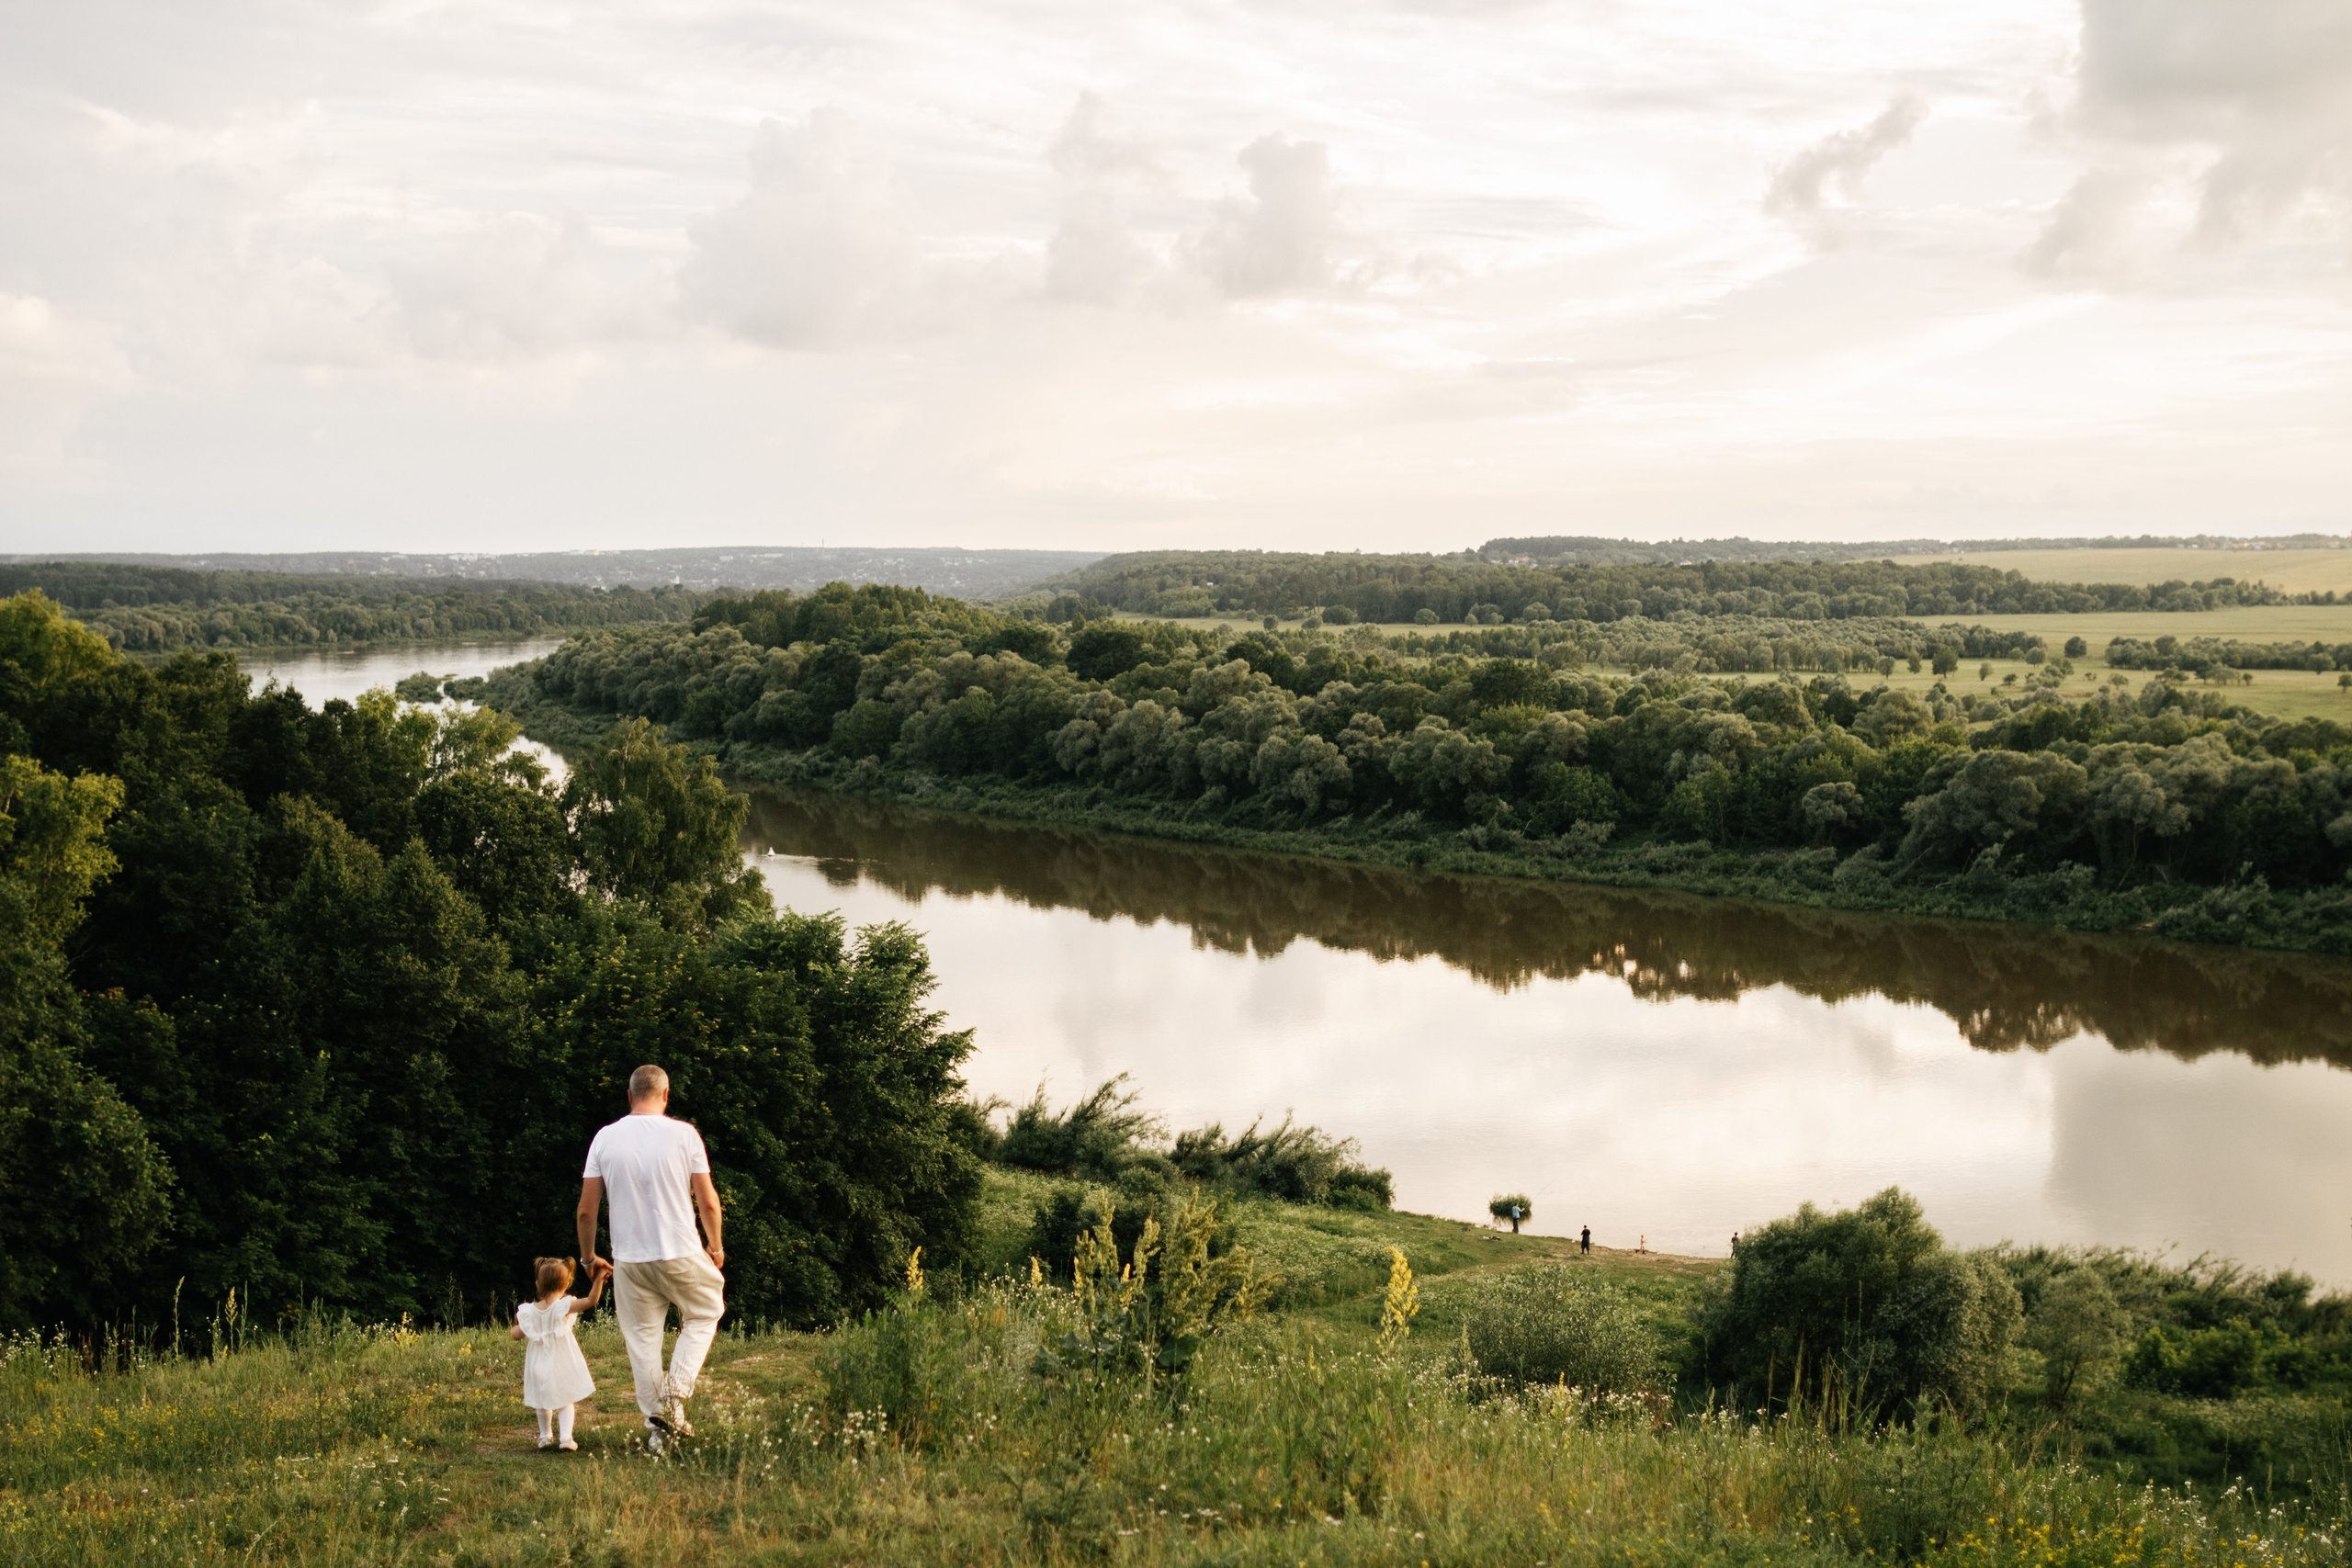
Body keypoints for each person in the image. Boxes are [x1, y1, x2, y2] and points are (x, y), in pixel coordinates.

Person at [578, 1065, 727, 1450]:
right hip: (679, 1250)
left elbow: (586, 1211)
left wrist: (588, 1258)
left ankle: (660, 1433)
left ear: (629, 1096)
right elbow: (708, 1201)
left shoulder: (604, 1139)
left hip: (629, 1260)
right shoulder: (684, 1134)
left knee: (642, 1339)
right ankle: (674, 1398)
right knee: (706, 1311)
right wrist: (715, 1247)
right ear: (666, 1095)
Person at [510, 1256, 607, 1451]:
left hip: (538, 1363)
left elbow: (516, 1334)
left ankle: (545, 1437)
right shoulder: (564, 1306)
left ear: (538, 1283)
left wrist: (520, 1325)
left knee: (542, 1400)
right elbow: (591, 1300)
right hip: (561, 1360)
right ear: (566, 1283)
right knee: (565, 1398)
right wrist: (599, 1279)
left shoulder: (530, 1311)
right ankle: (565, 1438)